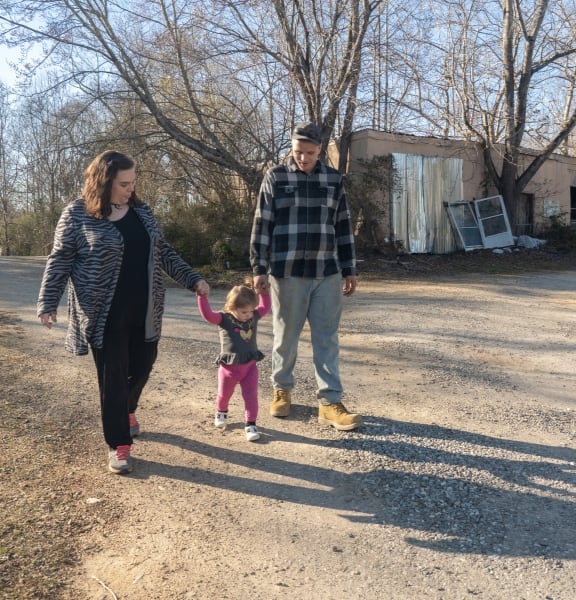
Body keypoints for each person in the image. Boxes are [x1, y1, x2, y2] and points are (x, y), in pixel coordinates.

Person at [37, 150, 210, 474]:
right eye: (124, 183)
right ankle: (118, 445)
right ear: (104, 182)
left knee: (143, 365)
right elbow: (59, 259)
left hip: (145, 309)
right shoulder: (77, 215)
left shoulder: (141, 212)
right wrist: (48, 302)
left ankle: (128, 409)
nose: (130, 188)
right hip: (103, 315)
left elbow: (164, 252)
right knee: (113, 379)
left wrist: (193, 279)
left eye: (133, 182)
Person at [250, 121, 362, 431]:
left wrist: (349, 268)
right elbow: (263, 224)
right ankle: (281, 389)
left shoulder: (333, 180)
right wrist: (259, 268)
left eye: (310, 153)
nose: (304, 158)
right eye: (299, 152)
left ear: (320, 151)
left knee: (327, 338)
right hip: (286, 273)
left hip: (326, 271)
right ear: (292, 146)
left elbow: (342, 225)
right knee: (285, 337)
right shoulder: (276, 177)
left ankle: (330, 401)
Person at [197, 276, 271, 441]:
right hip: (229, 369)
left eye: (251, 310)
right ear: (231, 307)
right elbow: (208, 315)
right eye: (244, 312)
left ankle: (251, 424)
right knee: (224, 395)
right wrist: (202, 297)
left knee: (251, 396)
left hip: (250, 367)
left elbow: (265, 307)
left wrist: (265, 293)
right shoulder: (224, 319)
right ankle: (221, 412)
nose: (248, 315)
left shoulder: (253, 317)